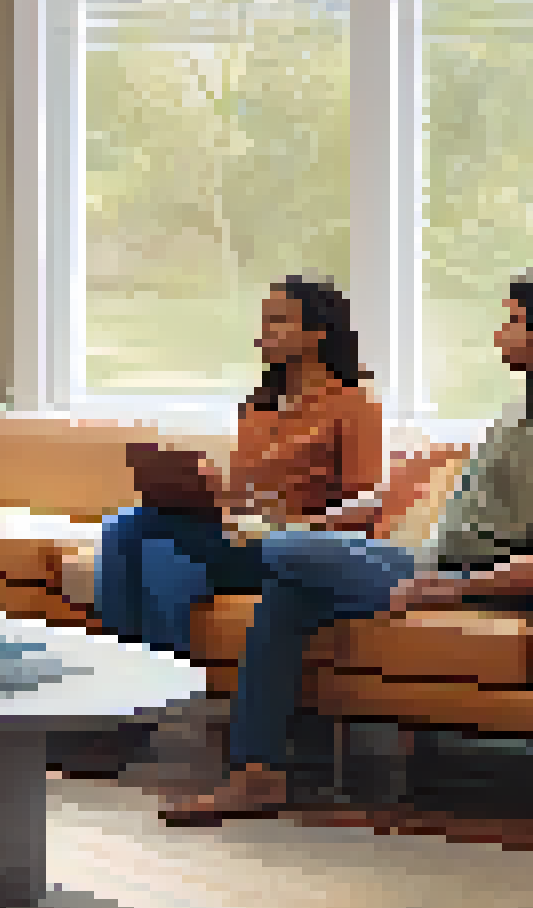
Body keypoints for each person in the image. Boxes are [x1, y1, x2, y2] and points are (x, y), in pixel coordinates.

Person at [156, 271, 533, 825]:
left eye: (510, 320)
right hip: (430, 565)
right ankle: (257, 776)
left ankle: (251, 753)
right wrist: (421, 564)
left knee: (289, 554)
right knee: (287, 587)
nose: (498, 334)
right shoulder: (513, 414)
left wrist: (453, 588)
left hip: (487, 586)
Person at [93, 275, 390, 661]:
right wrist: (212, 491)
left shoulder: (354, 403)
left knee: (127, 526)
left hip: (292, 546)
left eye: (278, 321)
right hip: (239, 539)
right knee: (160, 564)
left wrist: (291, 524)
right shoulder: (258, 406)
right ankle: (154, 693)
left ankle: (136, 682)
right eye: (264, 320)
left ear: (317, 333)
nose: (263, 332)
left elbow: (365, 505)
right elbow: (248, 492)